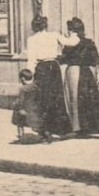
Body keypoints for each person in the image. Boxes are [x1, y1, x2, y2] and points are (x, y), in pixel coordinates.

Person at [25, 14, 75, 142]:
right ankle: (61, 129)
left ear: (34, 26)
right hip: (54, 67)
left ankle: (45, 131)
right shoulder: (54, 35)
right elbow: (71, 42)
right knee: (57, 98)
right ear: (45, 25)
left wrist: (28, 75)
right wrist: (75, 33)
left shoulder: (32, 39)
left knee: (43, 99)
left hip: (42, 69)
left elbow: (31, 60)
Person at [59, 17, 99, 137]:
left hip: (73, 72)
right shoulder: (89, 43)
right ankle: (88, 127)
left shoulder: (70, 43)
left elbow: (64, 58)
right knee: (88, 99)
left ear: (71, 30)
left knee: (73, 99)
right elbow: (95, 59)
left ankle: (76, 127)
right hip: (87, 73)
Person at [12, 68, 42, 142]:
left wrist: (16, 105)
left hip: (25, 110)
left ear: (22, 78)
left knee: (19, 119)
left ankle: (21, 136)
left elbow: (20, 100)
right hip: (34, 109)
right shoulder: (36, 87)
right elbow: (39, 98)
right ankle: (42, 134)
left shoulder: (23, 89)